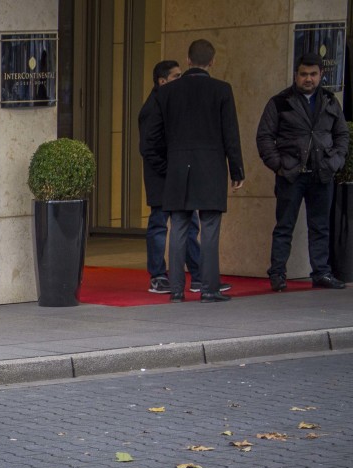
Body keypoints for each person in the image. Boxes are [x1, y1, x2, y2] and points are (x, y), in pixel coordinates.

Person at [142, 39, 246, 303]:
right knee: (209, 226)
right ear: (212, 62)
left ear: (187, 60)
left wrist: (169, 165)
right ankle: (209, 288)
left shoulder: (166, 93)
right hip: (211, 167)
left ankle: (176, 289)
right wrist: (237, 170)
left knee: (178, 226)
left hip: (178, 167)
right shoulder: (222, 90)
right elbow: (230, 134)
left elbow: (152, 138)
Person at [255, 52, 349, 291]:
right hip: (291, 175)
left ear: (321, 75)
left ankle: (321, 273)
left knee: (320, 226)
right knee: (284, 225)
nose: (309, 79)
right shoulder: (280, 101)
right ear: (295, 75)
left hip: (322, 174)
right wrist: (279, 165)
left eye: (314, 74)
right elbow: (265, 137)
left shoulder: (329, 100)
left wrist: (335, 161)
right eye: (304, 74)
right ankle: (277, 274)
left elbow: (341, 135)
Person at [138, 60, 204, 294]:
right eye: (176, 76)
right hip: (161, 177)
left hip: (176, 174)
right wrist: (168, 169)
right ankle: (157, 276)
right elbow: (148, 147)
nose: (181, 79)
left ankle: (198, 275)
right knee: (159, 224)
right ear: (162, 81)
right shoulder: (153, 107)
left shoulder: (173, 102)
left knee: (189, 223)